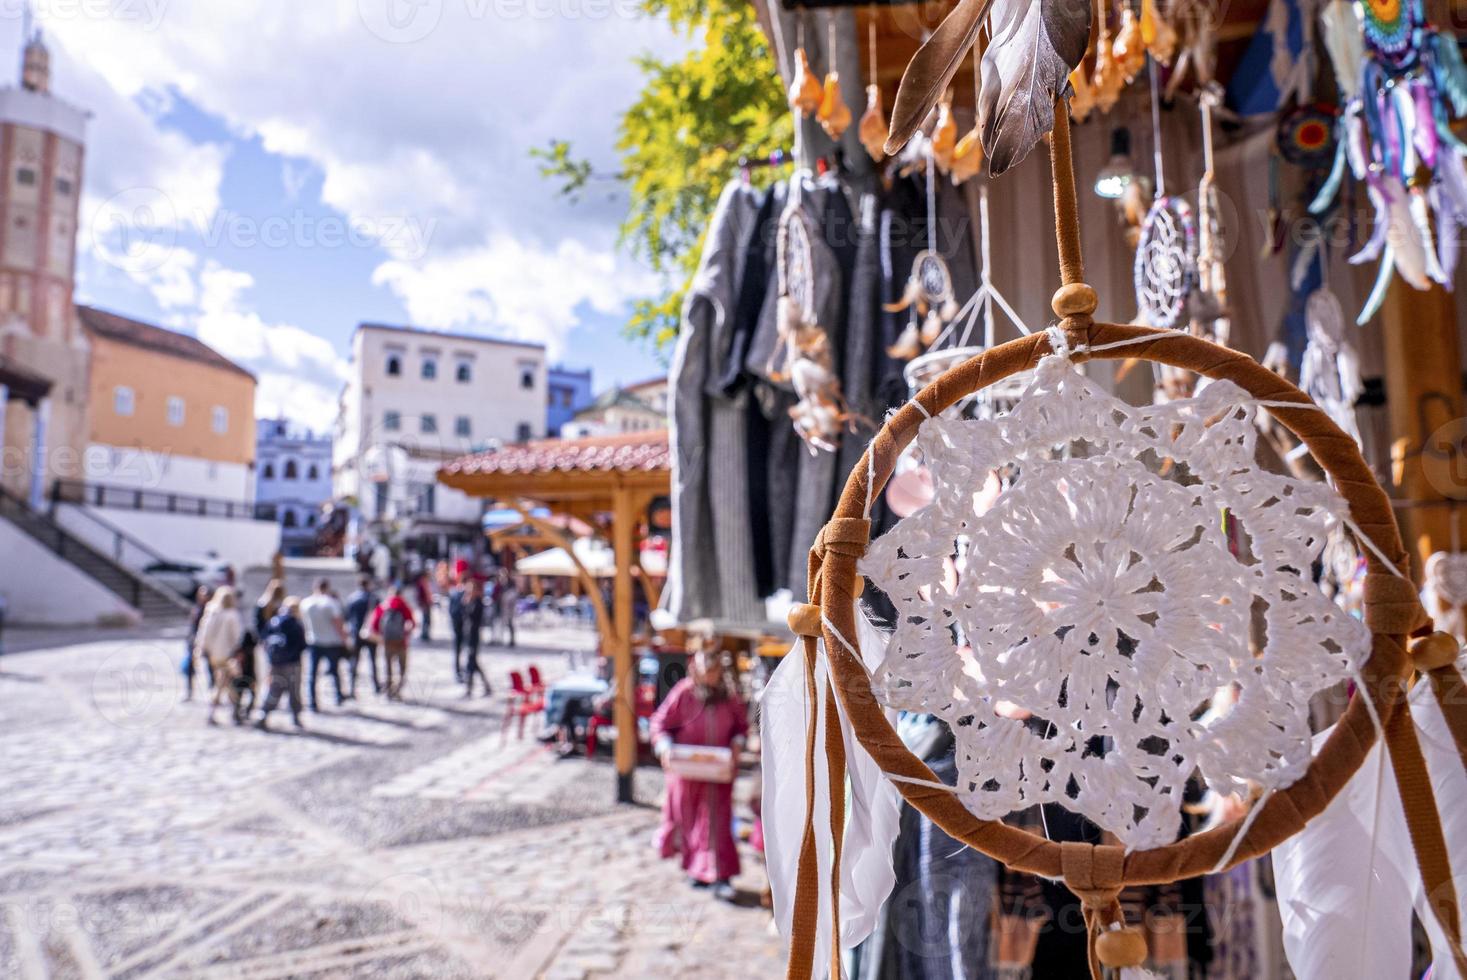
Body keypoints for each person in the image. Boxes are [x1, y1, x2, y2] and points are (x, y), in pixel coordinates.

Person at [650, 647, 748, 902]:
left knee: (718, 822)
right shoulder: (684, 692)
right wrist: (665, 747)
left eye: (713, 671)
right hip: (688, 772)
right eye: (705, 670)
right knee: (692, 821)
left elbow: (741, 726)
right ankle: (697, 870)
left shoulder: (730, 696)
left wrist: (737, 743)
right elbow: (660, 723)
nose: (709, 676)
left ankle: (721, 874)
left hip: (718, 771)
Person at [194, 586, 244, 726]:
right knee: (225, 683)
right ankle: (228, 712)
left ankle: (229, 711)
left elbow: (204, 634)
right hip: (228, 655)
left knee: (224, 682)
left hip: (214, 654)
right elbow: (237, 637)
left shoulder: (212, 612)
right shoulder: (232, 615)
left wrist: (203, 649)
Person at [257, 596, 307, 729]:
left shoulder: (273, 621)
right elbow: (302, 645)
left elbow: (264, 639)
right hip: (292, 663)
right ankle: (296, 717)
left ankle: (263, 714)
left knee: (273, 690)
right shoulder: (296, 624)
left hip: (275, 663)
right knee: (294, 691)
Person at [300, 577, 349, 711]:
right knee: (334, 671)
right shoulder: (330, 603)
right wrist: (345, 639)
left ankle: (312, 701)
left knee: (312, 673)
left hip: (314, 641)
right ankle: (338, 696)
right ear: (326, 587)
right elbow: (338, 624)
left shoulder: (305, 603)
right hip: (331, 641)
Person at [369, 585, 416, 701]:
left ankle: (389, 690)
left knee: (388, 667)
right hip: (401, 642)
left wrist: (380, 637)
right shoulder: (404, 605)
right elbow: (412, 623)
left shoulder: (383, 606)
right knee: (402, 668)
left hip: (387, 642)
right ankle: (398, 689)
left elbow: (374, 624)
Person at [344, 576, 380, 695]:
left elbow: (346, 617)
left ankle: (352, 687)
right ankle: (376, 686)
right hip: (370, 634)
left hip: (356, 634)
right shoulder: (374, 598)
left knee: (354, 661)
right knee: (373, 661)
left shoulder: (352, 598)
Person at [462, 578, 491, 697]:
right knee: (473, 662)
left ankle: (470, 687)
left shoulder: (478, 602)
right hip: (468, 634)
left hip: (474, 636)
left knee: (471, 662)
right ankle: (485, 685)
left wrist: (468, 604)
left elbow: (475, 618)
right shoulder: (469, 601)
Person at [182, 585, 211, 700]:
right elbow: (192, 627)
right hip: (193, 641)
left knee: (210, 667)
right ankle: (189, 691)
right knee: (190, 666)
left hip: (205, 641)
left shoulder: (210, 609)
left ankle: (211, 690)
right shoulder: (197, 608)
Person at [448, 577, 468, 683]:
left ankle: (460, 670)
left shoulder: (454, 593)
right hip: (461, 626)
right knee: (461, 649)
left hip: (458, 625)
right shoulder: (462, 594)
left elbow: (450, 610)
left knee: (459, 649)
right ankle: (460, 670)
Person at [494, 569, 518, 648]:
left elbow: (513, 595)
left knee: (510, 623)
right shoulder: (501, 584)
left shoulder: (511, 584)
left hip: (509, 608)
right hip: (502, 607)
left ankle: (511, 640)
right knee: (501, 623)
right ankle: (500, 639)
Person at [415, 572, 433, 642]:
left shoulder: (423, 583)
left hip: (426, 604)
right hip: (425, 604)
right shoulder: (422, 583)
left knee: (426, 619)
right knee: (425, 619)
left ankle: (425, 633)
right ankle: (424, 634)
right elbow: (422, 595)